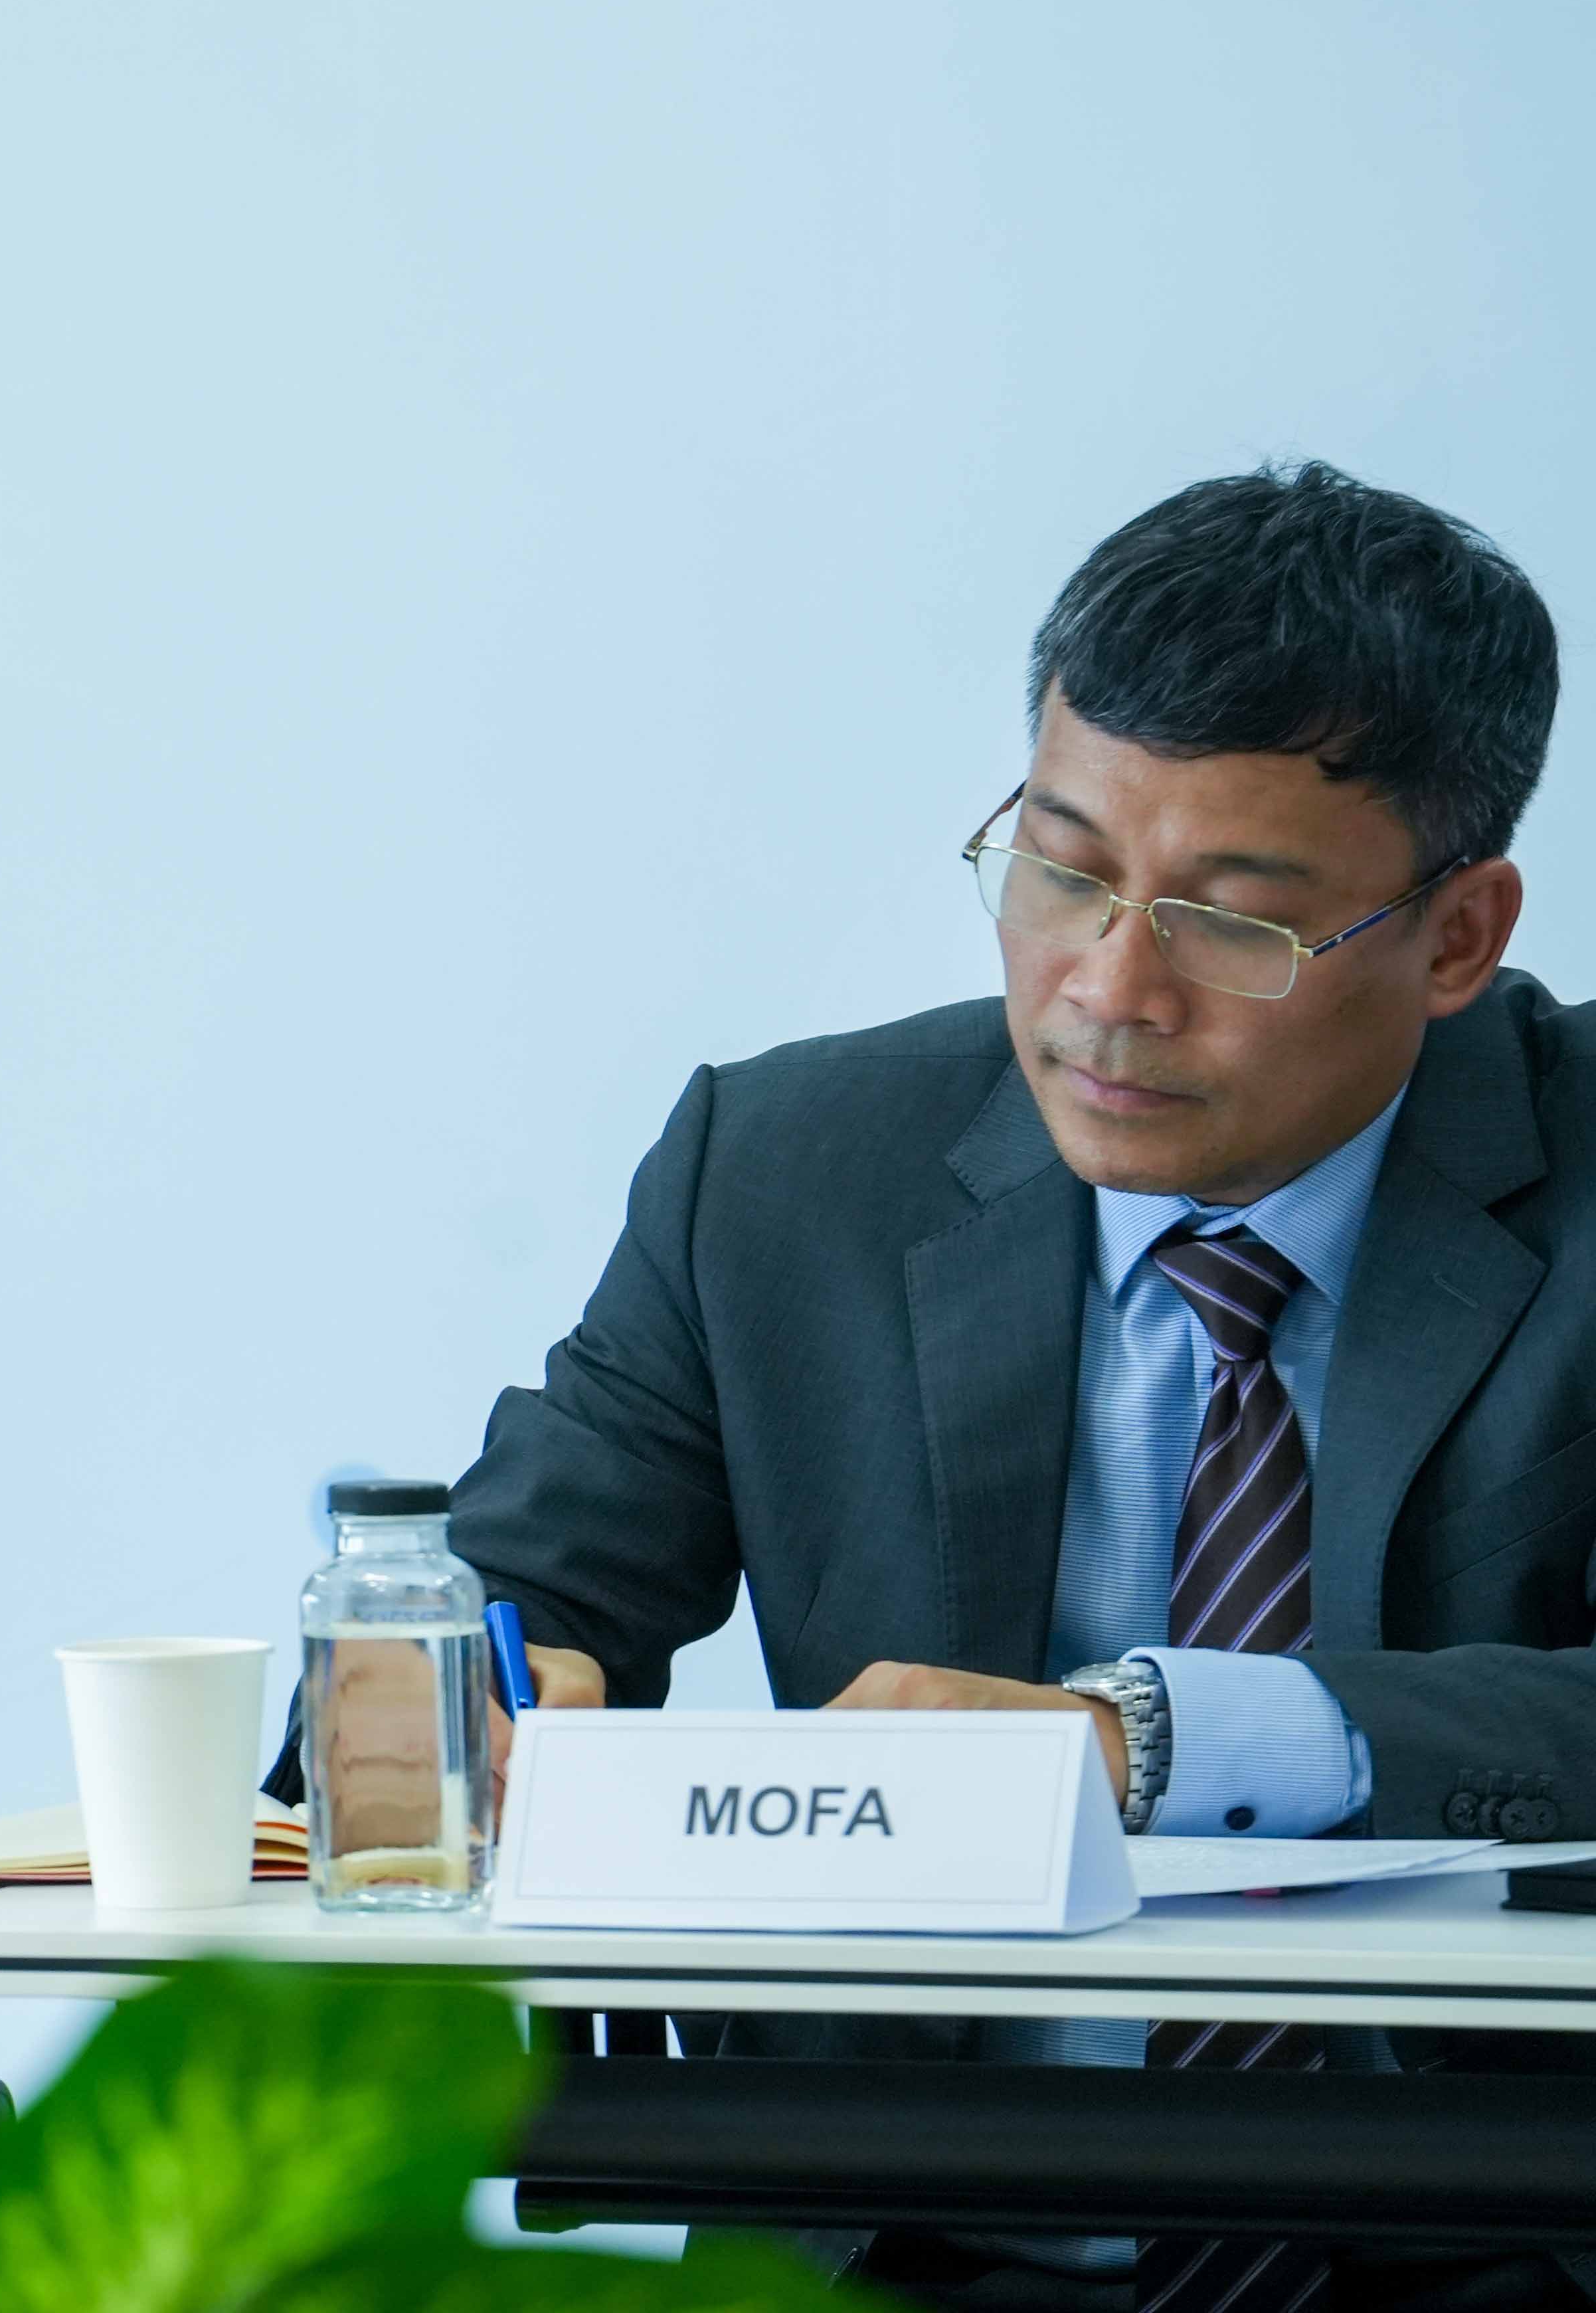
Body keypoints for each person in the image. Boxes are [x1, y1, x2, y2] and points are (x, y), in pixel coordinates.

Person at [453, 463, 1593, 2310]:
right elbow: (498, 1601)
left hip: (1490, 2255)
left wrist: (1156, 1744)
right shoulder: (785, 1170)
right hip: (901, 2244)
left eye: (1233, 922)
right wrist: (476, 1708)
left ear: (1459, 936)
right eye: (1063, 871)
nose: (1109, 990)